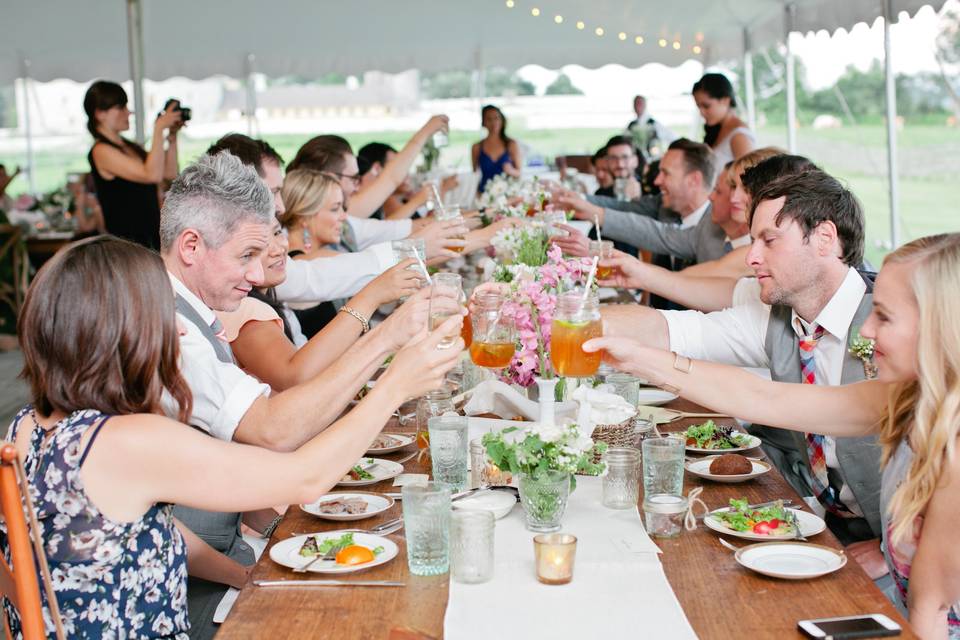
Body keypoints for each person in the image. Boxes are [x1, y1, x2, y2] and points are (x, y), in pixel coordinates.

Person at [3, 234, 460, 638]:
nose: (178, 328)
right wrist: (395, 384)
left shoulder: (27, 425)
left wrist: (244, 575)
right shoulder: (126, 441)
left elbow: (154, 531)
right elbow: (305, 478)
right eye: (162, 315)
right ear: (122, 333)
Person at [586, 234, 960, 639]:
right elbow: (765, 397)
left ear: (941, 327)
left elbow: (929, 612)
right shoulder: (906, 401)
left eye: (884, 316)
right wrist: (639, 359)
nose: (866, 331)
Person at [159, 151, 462, 636]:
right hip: (187, 599)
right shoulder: (170, 329)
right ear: (191, 245)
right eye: (246, 256)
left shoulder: (186, 311)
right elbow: (274, 430)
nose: (259, 276)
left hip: (227, 554)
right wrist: (392, 364)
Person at [601, 169, 885, 568]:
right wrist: (568, 321)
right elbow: (676, 330)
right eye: (753, 240)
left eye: (769, 240)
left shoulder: (891, 327)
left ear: (824, 238)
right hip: (820, 516)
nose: (751, 257)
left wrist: (890, 549)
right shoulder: (778, 315)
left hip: (900, 546)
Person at [216, 212, 421, 389]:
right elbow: (294, 377)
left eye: (277, 233)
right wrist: (371, 297)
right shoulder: (242, 308)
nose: (278, 249)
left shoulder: (269, 295)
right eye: (258, 245)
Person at [596, 149, 796, 312]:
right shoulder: (717, 233)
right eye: (732, 188)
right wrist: (638, 273)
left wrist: (641, 275)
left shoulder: (758, 253)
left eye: (743, 188)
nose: (734, 197)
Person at [554, 138, 725, 271]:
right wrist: (578, 200)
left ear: (693, 180)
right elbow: (621, 207)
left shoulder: (718, 230)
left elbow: (657, 234)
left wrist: (594, 245)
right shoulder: (663, 204)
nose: (657, 181)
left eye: (665, 173)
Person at [83, 80, 182, 250]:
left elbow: (169, 174)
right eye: (121, 107)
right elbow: (151, 174)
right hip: (128, 245)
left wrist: (171, 137)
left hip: (151, 237)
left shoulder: (130, 147)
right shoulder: (100, 151)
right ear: (100, 114)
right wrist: (158, 129)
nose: (129, 112)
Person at [692, 73, 755, 172]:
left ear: (725, 100)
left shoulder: (740, 136)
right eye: (698, 107)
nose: (701, 113)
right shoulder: (717, 129)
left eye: (706, 106)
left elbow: (748, 179)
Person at [472, 104, 521, 193]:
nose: (494, 122)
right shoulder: (477, 147)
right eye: (489, 119)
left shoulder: (511, 144)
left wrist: (511, 170)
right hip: (484, 196)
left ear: (502, 120)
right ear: (483, 122)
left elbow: (519, 173)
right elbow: (474, 175)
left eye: (496, 118)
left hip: (508, 195)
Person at [626, 95, 676, 160]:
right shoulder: (631, 126)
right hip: (637, 160)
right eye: (635, 104)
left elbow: (673, 137)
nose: (637, 106)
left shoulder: (654, 124)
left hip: (653, 160)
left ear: (645, 105)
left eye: (640, 103)